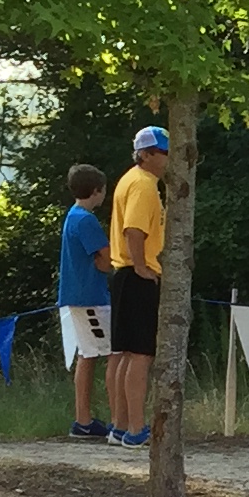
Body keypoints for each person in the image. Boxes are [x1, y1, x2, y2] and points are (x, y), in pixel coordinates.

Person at [106, 126, 168, 446]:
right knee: (142, 355)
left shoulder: (130, 179)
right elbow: (133, 229)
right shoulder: (143, 184)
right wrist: (142, 266)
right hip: (136, 274)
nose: (169, 159)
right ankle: (135, 429)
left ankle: (119, 426)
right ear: (146, 154)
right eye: (164, 153)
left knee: (127, 354)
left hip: (124, 274)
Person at [57, 164, 114, 441]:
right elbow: (106, 257)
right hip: (91, 297)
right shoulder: (86, 220)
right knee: (115, 353)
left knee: (87, 354)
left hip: (76, 296)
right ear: (96, 191)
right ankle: (120, 420)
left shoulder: (72, 216)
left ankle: (83, 420)